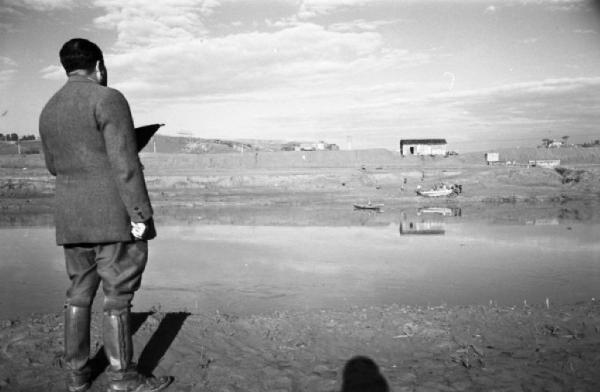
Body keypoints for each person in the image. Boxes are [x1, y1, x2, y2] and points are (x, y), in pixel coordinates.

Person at [39, 38, 172, 392]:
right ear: (99, 65)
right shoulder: (108, 98)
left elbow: (53, 166)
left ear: (65, 66)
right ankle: (122, 377)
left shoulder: (48, 108)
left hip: (71, 218)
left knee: (78, 292)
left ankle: (77, 375)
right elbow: (125, 165)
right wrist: (141, 215)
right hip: (113, 217)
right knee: (118, 295)